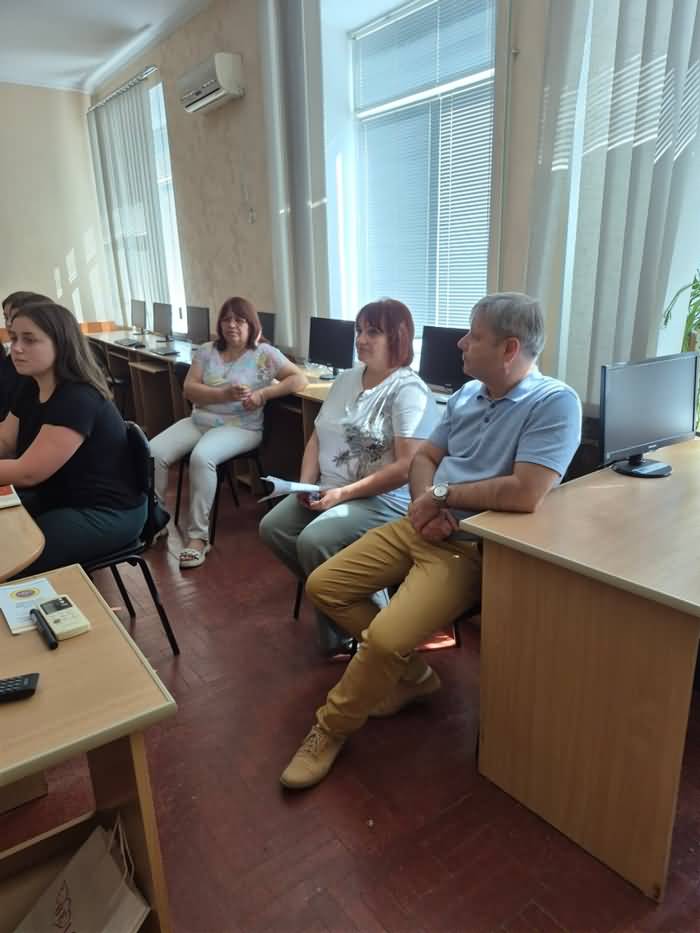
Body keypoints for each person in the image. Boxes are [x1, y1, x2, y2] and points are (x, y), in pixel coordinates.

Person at [280, 292, 583, 789]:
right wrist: (426, 505)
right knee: (324, 585)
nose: (461, 343)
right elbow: (424, 458)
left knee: (382, 639)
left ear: (509, 349)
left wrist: (443, 498)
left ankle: (329, 729)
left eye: (474, 336)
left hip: (468, 547)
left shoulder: (555, 402)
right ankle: (414, 676)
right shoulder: (467, 395)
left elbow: (526, 491)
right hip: (423, 526)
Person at [260, 298, 441, 656]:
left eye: (373, 332)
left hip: (381, 500)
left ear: (398, 337)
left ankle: (362, 631)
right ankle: (348, 600)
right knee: (273, 528)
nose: (361, 339)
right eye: (359, 330)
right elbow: (317, 436)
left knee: (314, 541)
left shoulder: (408, 391)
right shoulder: (345, 379)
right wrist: (305, 484)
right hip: (330, 489)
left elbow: (407, 466)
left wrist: (342, 495)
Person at [150, 296, 307, 569]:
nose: (231, 325)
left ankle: (198, 538)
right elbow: (189, 389)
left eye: (239, 320)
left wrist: (263, 394)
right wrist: (224, 394)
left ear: (251, 324)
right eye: (226, 319)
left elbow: (298, 378)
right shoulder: (207, 350)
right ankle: (156, 520)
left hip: (241, 426)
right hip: (200, 421)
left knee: (202, 458)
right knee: (153, 451)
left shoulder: (264, 354)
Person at [0, 301, 147, 575]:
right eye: (13, 338)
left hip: (105, 511)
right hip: (60, 496)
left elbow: (28, 473)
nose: (16, 348)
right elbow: (5, 442)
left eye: (29, 340)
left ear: (61, 344)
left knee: (10, 557)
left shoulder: (77, 397)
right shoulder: (31, 386)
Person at [0, 291, 51, 421]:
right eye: (6, 317)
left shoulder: (74, 395)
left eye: (30, 340)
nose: (9, 323)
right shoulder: (11, 362)